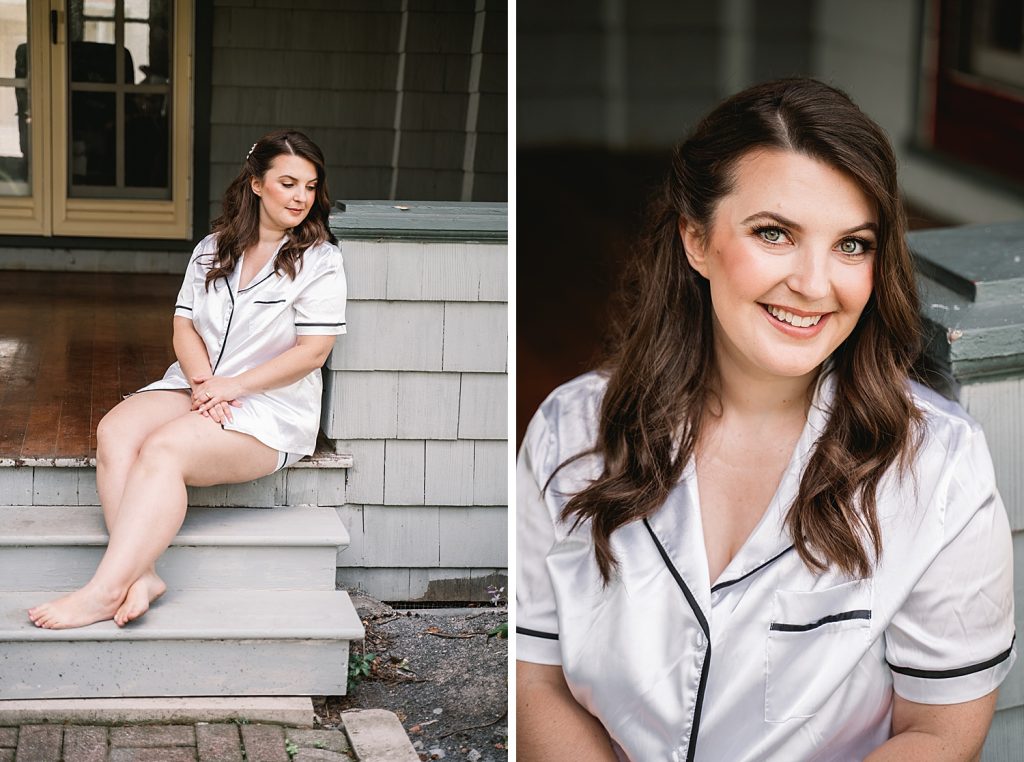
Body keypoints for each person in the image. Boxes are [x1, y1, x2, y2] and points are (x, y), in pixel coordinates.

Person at [516, 79, 1016, 761]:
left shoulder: (938, 466)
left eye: (851, 245)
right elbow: (533, 676)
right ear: (697, 239)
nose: (815, 284)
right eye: (774, 234)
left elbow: (940, 732)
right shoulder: (570, 431)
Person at [28, 129, 347, 630]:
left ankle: (104, 590)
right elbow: (184, 325)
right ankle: (143, 575)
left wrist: (232, 388)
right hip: (196, 385)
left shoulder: (320, 261)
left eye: (310, 186)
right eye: (288, 183)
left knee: (164, 449)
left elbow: (313, 352)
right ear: (257, 184)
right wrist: (204, 384)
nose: (300, 197)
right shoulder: (212, 248)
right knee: (116, 431)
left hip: (269, 410)